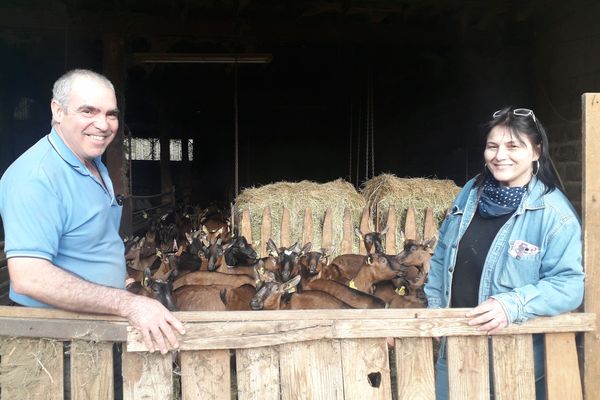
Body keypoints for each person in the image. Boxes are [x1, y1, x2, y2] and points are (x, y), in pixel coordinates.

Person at [0, 69, 185, 355]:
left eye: (111, 114)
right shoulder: (36, 177)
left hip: (95, 327)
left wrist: (121, 281)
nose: (103, 124)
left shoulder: (92, 163)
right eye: (88, 111)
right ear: (57, 111)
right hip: (56, 342)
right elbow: (29, 277)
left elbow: (90, 242)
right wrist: (127, 303)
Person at [424, 107, 584, 400]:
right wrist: (435, 305)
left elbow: (569, 285)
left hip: (514, 359)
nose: (500, 155)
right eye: (492, 146)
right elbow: (442, 253)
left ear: (536, 151)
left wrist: (512, 304)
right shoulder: (471, 191)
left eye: (513, 146)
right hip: (456, 348)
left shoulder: (554, 214)